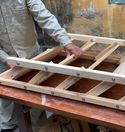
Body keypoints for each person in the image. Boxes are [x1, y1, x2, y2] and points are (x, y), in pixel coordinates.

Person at [0, 0, 82, 131]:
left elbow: (44, 16)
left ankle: (34, 122)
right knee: (7, 100)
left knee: (35, 92)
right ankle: (7, 127)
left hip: (30, 53)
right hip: (4, 57)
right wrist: (5, 59)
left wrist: (65, 41)